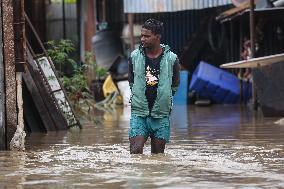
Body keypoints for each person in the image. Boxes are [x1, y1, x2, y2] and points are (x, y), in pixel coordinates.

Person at [128, 18, 180, 154]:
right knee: (136, 150)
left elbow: (174, 85)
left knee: (158, 156)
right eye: (142, 35)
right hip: (139, 114)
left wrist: (165, 98)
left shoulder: (172, 59)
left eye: (147, 36)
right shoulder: (134, 56)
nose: (143, 39)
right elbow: (132, 82)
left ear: (157, 37)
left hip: (161, 115)